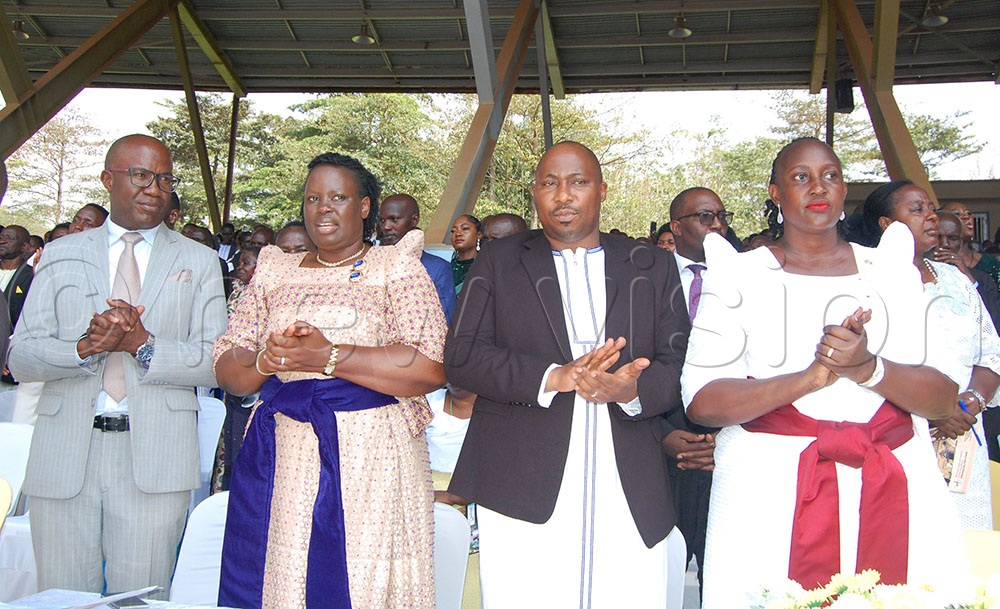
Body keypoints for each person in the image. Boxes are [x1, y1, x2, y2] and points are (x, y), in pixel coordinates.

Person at [682, 138, 966, 607]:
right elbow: (703, 402)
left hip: (892, 480)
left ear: (844, 189)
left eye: (830, 175)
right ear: (775, 193)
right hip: (769, 492)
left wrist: (867, 368)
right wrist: (809, 379)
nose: (818, 187)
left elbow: (941, 399)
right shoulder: (740, 274)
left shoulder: (890, 269)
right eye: (800, 177)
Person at [445, 141, 689, 609]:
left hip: (629, 476)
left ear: (601, 190)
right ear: (533, 193)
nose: (563, 195)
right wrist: (553, 376)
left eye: (578, 182)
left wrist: (632, 389)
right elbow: (461, 355)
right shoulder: (499, 261)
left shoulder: (651, 264)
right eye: (549, 183)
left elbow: (679, 364)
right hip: (521, 477)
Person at [213, 152, 447, 609]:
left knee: (362, 577)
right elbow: (229, 368)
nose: (323, 207)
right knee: (284, 571)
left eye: (338, 197)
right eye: (313, 198)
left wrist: (329, 356)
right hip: (282, 452)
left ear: (364, 207)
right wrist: (268, 358)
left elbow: (428, 367)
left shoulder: (395, 267)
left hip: (373, 456)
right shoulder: (276, 270)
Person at [8, 134, 228, 597]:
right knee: (63, 597)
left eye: (164, 179)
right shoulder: (61, 254)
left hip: (155, 458)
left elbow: (216, 362)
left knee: (141, 598)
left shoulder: (200, 260)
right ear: (109, 179)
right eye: (141, 175)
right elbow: (22, 356)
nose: (154, 188)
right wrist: (84, 348)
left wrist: (142, 345)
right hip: (64, 452)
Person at [862, 182, 1000, 529]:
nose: (932, 218)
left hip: (962, 435)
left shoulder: (957, 280)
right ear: (886, 224)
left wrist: (968, 403)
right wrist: (935, 408)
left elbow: (990, 354)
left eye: (931, 208)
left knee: (965, 549)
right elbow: (863, 361)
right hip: (898, 434)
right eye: (917, 209)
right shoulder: (865, 278)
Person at [661, 186, 732, 601]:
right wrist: (663, 435)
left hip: (728, 437)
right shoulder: (644, 277)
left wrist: (725, 436)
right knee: (663, 570)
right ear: (677, 226)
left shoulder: (748, 275)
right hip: (665, 439)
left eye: (721, 215)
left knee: (722, 571)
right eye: (706, 217)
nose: (718, 225)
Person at [379, 193, 455, 321]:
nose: (386, 227)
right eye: (382, 220)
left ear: (414, 220)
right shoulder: (372, 264)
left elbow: (445, 319)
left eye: (394, 219)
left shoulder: (438, 269)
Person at [0, 225, 34, 387]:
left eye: (10, 238)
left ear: (24, 247)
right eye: (2, 236)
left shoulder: (32, 276)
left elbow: (30, 317)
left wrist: (8, 349)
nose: (2, 240)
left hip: (10, 358)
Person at [943, 201, 1000, 289]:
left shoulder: (989, 262)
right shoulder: (934, 261)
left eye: (968, 213)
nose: (966, 217)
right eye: (957, 214)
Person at [449, 213, 480, 293]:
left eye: (465, 229)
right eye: (453, 231)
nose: (458, 234)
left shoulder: (485, 267)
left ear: (478, 235)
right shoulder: (445, 268)